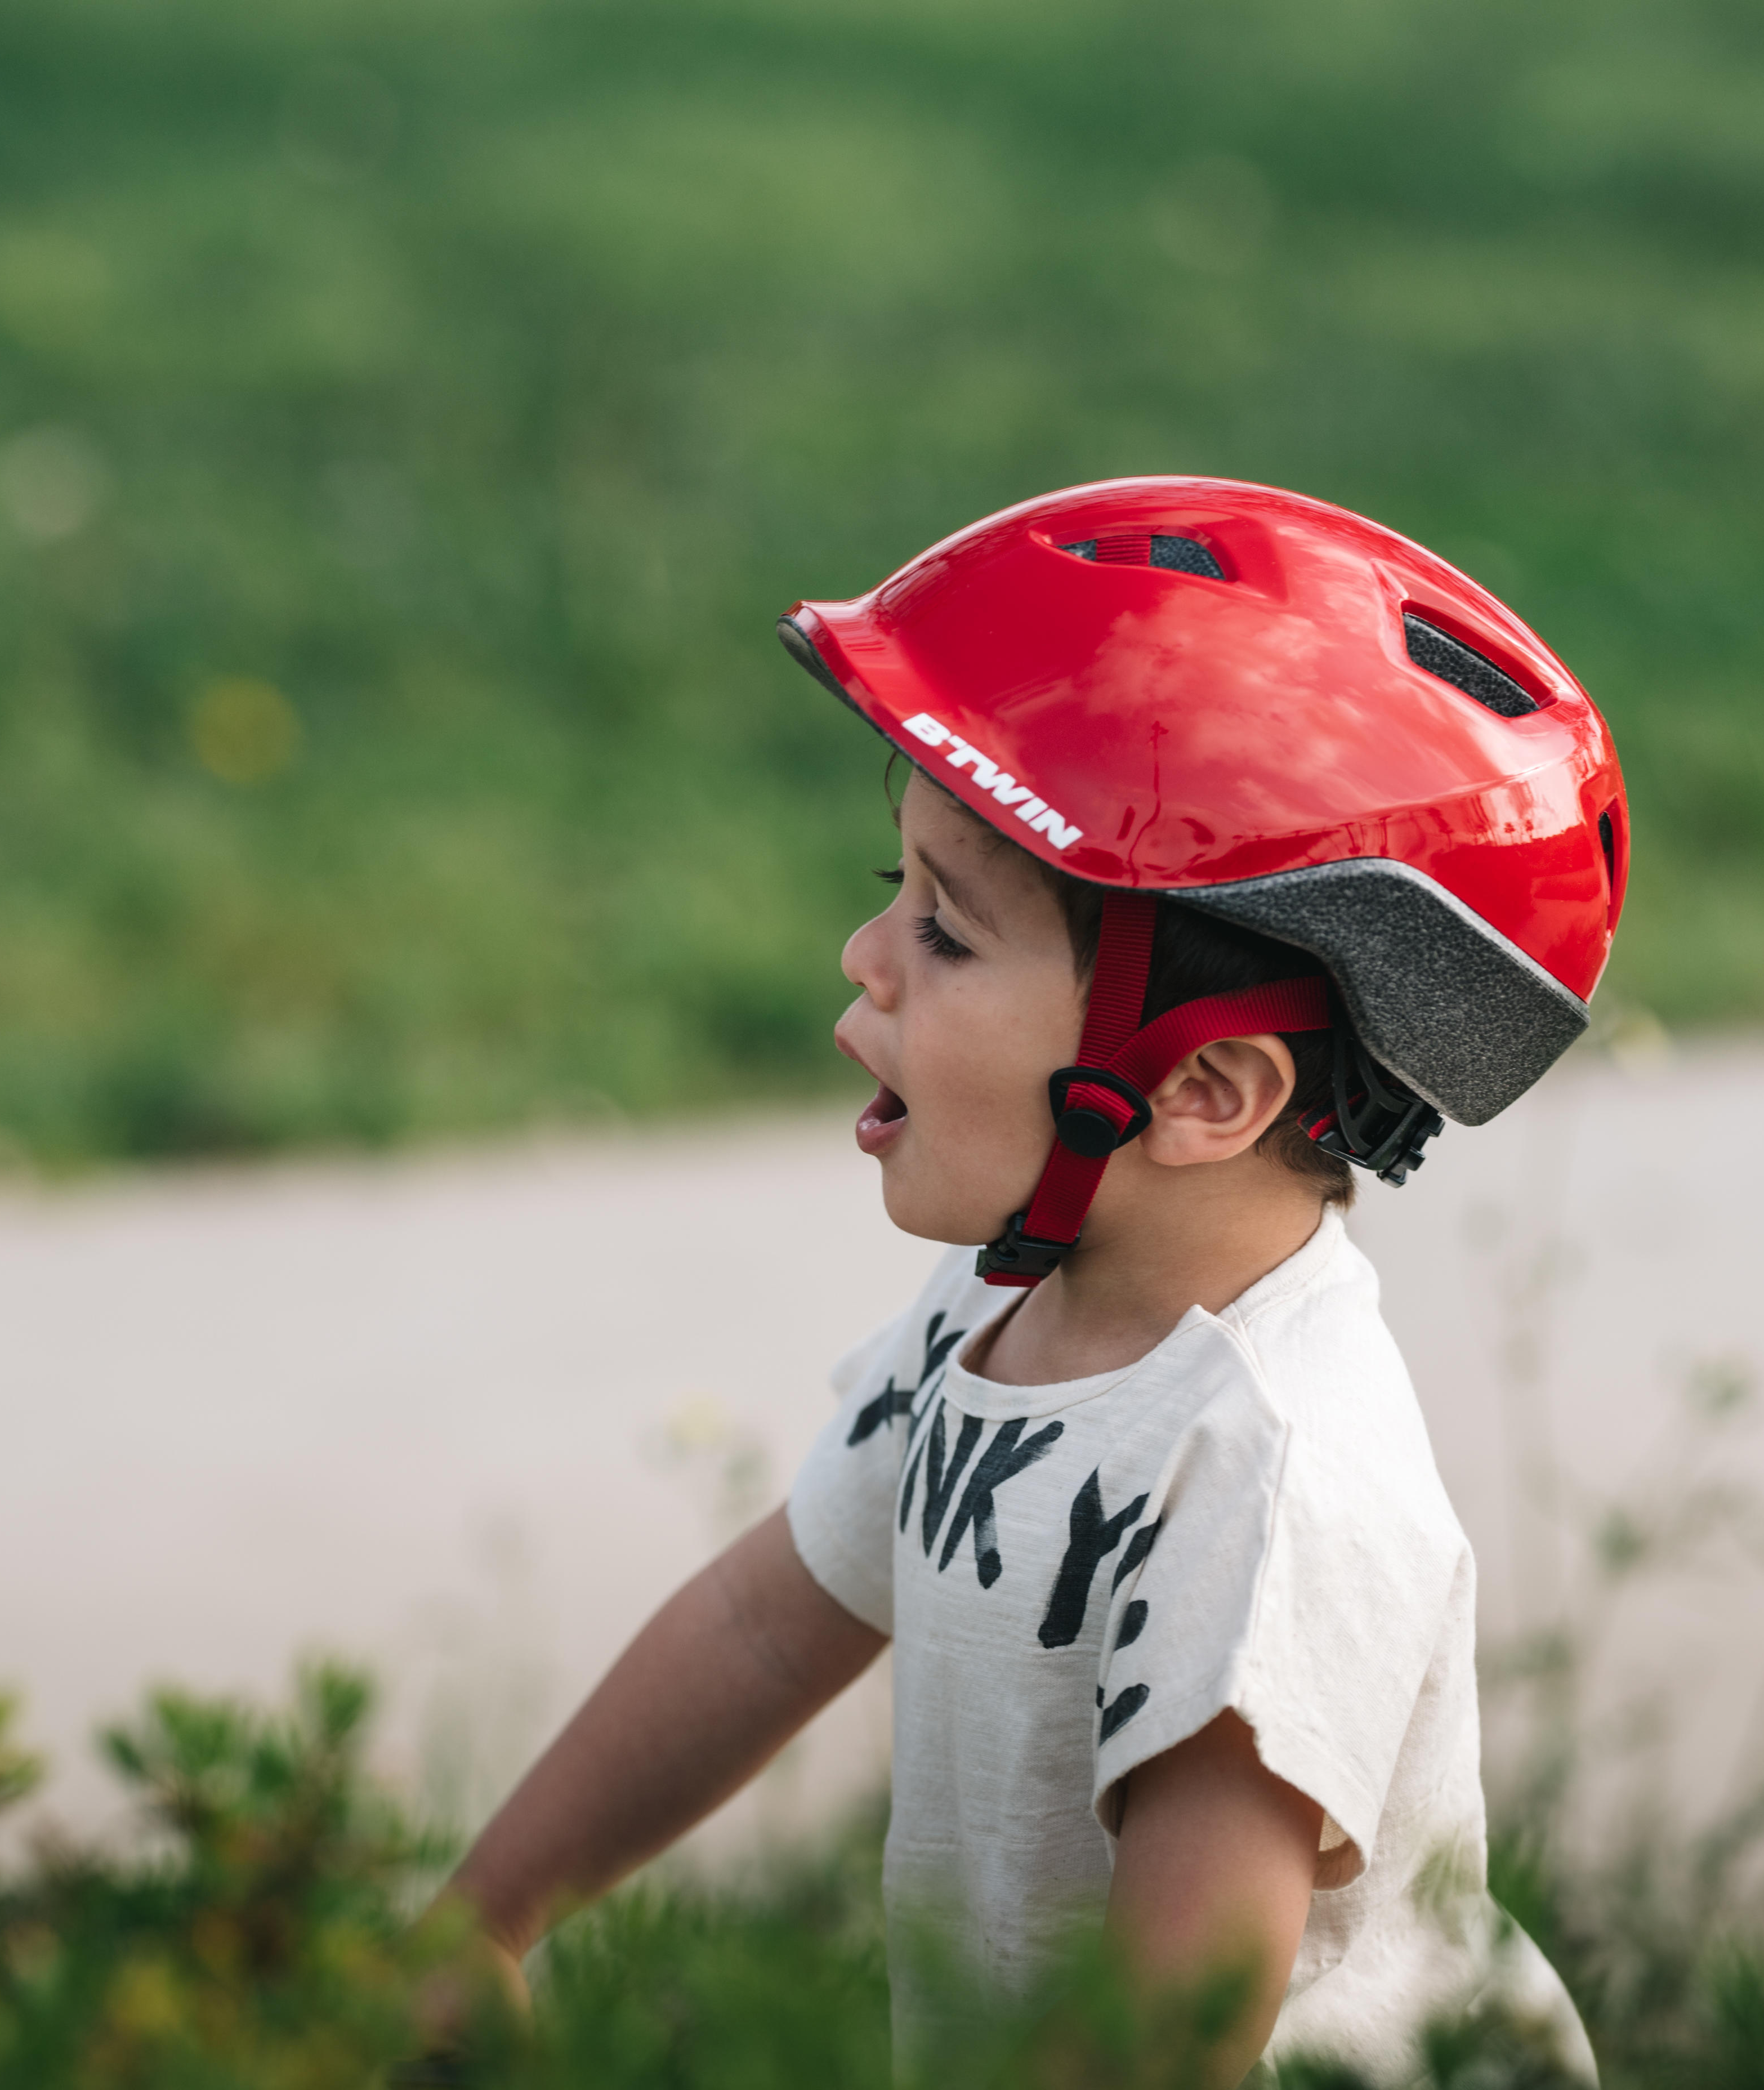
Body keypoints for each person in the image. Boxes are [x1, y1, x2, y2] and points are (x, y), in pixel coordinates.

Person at [419, 477, 1628, 2085]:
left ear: (1204, 1095)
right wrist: (480, 1923)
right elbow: (769, 1628)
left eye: (951, 931)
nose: (868, 957)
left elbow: (1169, 2035)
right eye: (893, 888)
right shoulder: (1005, 1311)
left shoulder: (1267, 1478)